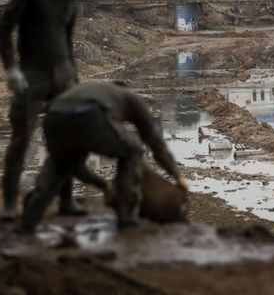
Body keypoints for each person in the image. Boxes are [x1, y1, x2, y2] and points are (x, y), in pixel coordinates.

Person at [0, 0, 91, 221]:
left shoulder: (70, 1)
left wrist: (74, 77)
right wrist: (11, 69)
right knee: (21, 138)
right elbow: (4, 29)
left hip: (63, 75)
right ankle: (11, 204)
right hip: (32, 74)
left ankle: (66, 201)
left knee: (67, 140)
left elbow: (67, 42)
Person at [21, 82, 186, 232]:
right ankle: (126, 216)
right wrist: (177, 175)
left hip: (53, 116)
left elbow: (76, 168)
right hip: (90, 114)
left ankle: (29, 220)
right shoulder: (130, 98)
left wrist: (104, 185)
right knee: (133, 149)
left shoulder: (99, 90)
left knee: (60, 163)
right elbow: (154, 141)